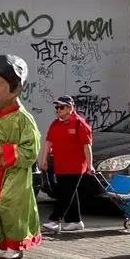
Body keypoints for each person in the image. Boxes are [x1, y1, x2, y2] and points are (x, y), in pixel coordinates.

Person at [0, 54, 42, 259]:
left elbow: (31, 150)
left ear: (15, 89)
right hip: (0, 171)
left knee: (10, 206)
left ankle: (16, 245)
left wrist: (6, 152)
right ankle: (6, 245)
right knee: (0, 209)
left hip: (17, 172)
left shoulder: (23, 119)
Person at [40, 95, 94, 233]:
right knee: (70, 193)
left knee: (65, 193)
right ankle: (75, 221)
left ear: (71, 108)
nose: (58, 110)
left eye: (62, 107)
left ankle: (55, 220)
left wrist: (90, 165)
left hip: (75, 166)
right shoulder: (55, 124)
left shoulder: (79, 123)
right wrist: (44, 159)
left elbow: (86, 146)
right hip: (61, 165)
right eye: (57, 107)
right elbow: (48, 143)